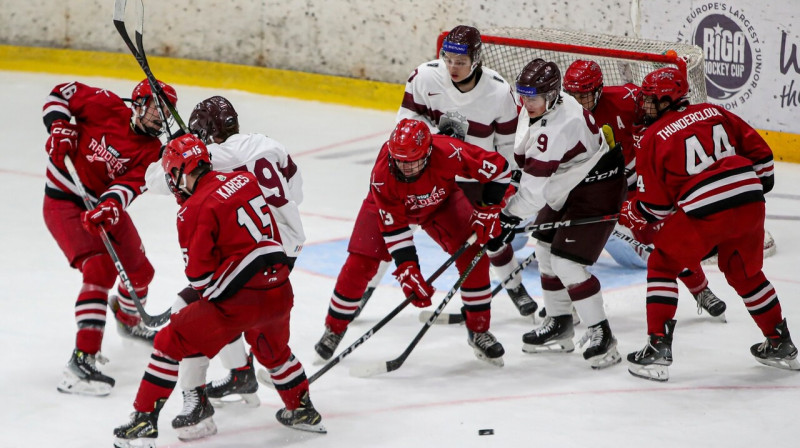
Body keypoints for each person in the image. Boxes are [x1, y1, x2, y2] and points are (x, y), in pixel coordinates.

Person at [113, 134, 324, 448]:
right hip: (280, 287)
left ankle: (144, 421)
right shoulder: (243, 179)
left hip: (242, 298)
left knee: (173, 338)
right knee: (273, 350)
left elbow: (200, 279)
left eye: (173, 175)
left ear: (180, 172)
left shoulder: (192, 210)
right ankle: (302, 409)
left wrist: (205, 310)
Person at [143, 96, 306, 440]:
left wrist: (176, 148)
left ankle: (197, 405)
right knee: (247, 316)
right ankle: (243, 374)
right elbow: (295, 194)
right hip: (283, 250)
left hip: (247, 258)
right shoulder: (269, 145)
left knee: (192, 308)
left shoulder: (214, 159)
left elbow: (157, 180)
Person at [622, 67, 799, 381]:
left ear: (667, 100)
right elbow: (762, 155)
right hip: (750, 200)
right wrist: (748, 192)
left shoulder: (652, 136)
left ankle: (657, 350)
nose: (645, 107)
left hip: (706, 210)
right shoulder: (713, 110)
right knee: (746, 273)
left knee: (662, 264)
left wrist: (633, 212)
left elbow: (656, 208)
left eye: (651, 100)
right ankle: (780, 343)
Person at [361, 24, 536, 318]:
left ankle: (513, 285)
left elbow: (507, 146)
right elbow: (404, 122)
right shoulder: (425, 76)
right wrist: (435, 143)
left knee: (491, 238)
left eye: (461, 62)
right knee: (394, 229)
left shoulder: (498, 91)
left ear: (476, 59)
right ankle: (363, 290)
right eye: (449, 60)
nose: (453, 68)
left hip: (475, 175)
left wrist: (504, 186)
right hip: (427, 171)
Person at [315, 118, 512, 367]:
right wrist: (408, 268)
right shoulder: (382, 175)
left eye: (413, 162)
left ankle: (479, 330)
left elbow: (500, 169)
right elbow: (395, 229)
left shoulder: (449, 151)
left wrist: (489, 209)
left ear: (428, 153)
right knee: (360, 263)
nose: (406, 169)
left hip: (440, 204)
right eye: (400, 162)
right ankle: (334, 328)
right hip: (389, 208)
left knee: (474, 255)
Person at [562, 59, 727, 320]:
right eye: (572, 95)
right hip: (590, 189)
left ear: (598, 90)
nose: (578, 101)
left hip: (635, 183)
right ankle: (566, 306)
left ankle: (700, 290)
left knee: (663, 238)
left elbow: (660, 130)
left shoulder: (628, 101)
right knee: (568, 246)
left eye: (584, 95)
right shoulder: (561, 113)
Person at [488, 58, 627, 369]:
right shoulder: (545, 106)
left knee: (568, 263)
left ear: (551, 95)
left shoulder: (558, 126)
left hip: (597, 187)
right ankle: (560, 324)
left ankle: (602, 335)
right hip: (566, 183)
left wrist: (507, 218)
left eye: (533, 97)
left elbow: (533, 194)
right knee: (545, 251)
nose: (526, 103)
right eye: (523, 95)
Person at [43, 78, 177, 396]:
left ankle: (129, 319)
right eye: (157, 107)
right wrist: (59, 125)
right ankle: (81, 361)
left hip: (101, 204)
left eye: (167, 110)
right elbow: (60, 93)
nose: (161, 116)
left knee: (141, 272)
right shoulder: (104, 105)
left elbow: (128, 187)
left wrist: (110, 206)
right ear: (139, 103)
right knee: (99, 268)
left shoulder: (154, 153)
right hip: (64, 199)